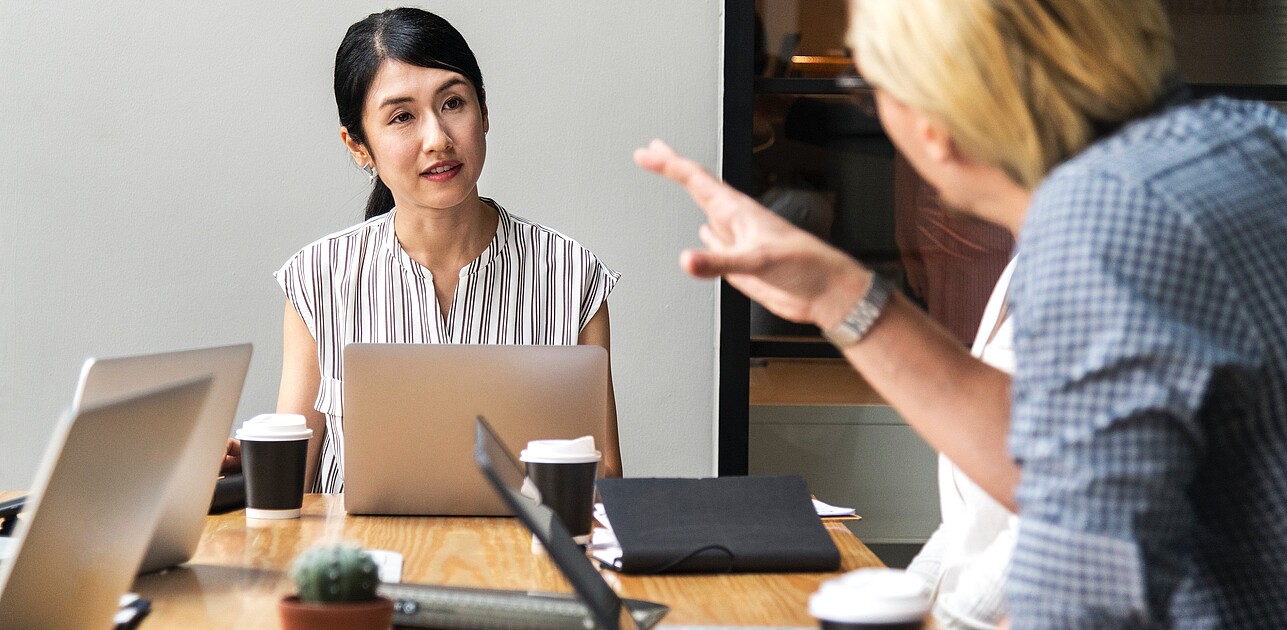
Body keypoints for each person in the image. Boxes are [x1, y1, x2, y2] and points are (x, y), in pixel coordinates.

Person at [635, 0, 1287, 627]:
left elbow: (1079, 598)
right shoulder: (1246, 137)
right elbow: (1071, 470)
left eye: (868, 85)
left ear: (933, 120)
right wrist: (833, 293)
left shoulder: (1101, 216)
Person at [228, 8, 622, 493]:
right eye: (401, 117)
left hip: (522, 564)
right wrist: (249, 472)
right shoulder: (318, 278)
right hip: (362, 564)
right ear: (358, 146)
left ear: (484, 110)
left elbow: (604, 482)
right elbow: (292, 483)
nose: (437, 138)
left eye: (453, 103)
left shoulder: (572, 273)